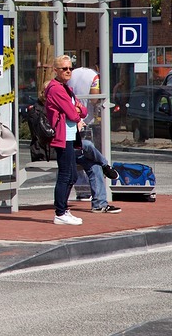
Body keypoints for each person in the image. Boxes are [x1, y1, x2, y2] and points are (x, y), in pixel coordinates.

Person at [68, 66, 122, 213]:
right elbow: (94, 99)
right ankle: (106, 165)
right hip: (81, 126)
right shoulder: (94, 77)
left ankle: (96, 202)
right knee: (88, 146)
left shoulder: (71, 75)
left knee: (93, 162)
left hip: (75, 129)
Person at [45, 55, 88, 225]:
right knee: (65, 174)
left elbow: (82, 111)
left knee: (72, 175)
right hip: (62, 136)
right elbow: (72, 114)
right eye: (64, 68)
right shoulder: (56, 88)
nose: (68, 71)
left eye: (71, 68)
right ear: (56, 70)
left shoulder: (67, 89)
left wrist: (76, 109)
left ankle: (63, 209)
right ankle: (60, 212)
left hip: (70, 135)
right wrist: (75, 110)